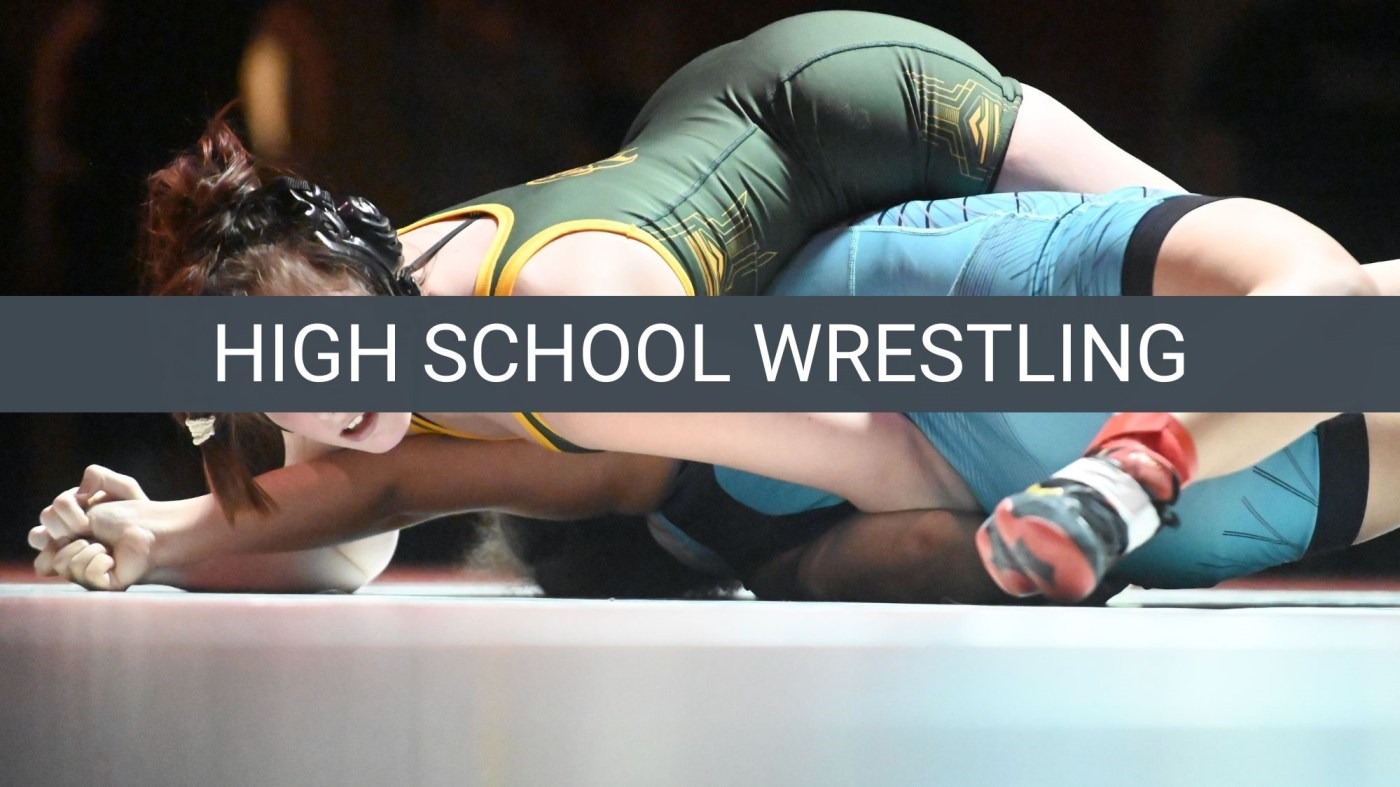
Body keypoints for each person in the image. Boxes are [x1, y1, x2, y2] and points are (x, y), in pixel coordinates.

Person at [32, 188, 1397, 600]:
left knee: (1335, 327)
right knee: (1329, 310)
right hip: (958, 312)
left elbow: (374, 484)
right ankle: (1138, 458)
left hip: (1155, 480)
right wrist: (172, 527)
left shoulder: (606, 422)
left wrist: (172, 529)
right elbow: (374, 482)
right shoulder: (596, 410)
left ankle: (1135, 463)